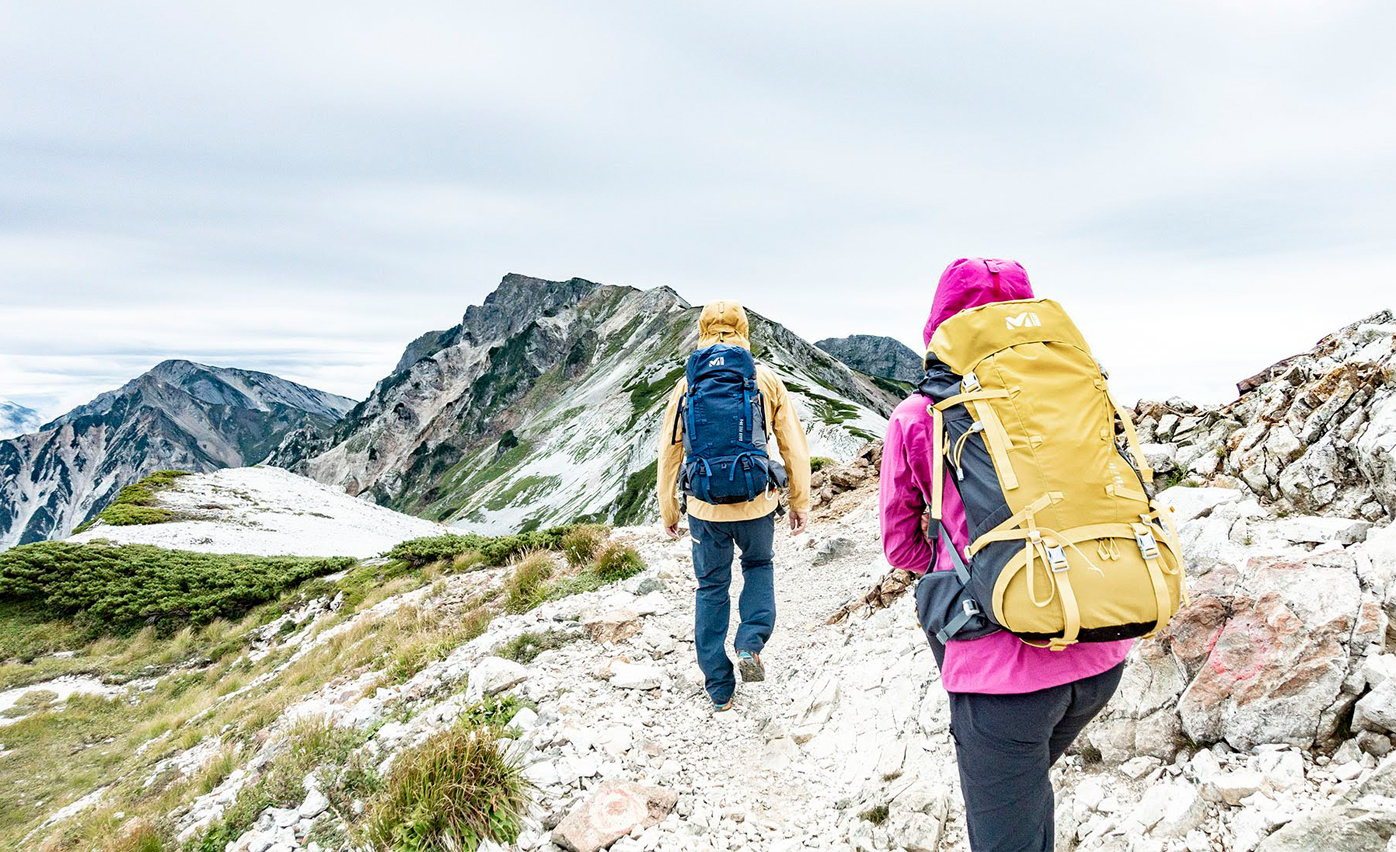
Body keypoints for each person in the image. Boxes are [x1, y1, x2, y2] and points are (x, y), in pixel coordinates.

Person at [879, 258, 1132, 852]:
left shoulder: (920, 416)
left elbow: (900, 545)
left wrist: (963, 570)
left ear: (941, 323)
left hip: (1003, 675)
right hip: (1103, 649)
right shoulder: (1076, 394)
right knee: (1024, 796)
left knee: (1006, 825)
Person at [657, 300, 811, 712]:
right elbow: (793, 445)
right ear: (745, 329)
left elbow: (670, 452)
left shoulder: (687, 384)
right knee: (758, 567)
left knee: (711, 587)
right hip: (757, 502)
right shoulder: (764, 378)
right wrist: (799, 500)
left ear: (702, 330)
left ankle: (719, 688)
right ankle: (750, 643)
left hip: (705, 509)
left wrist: (669, 510)